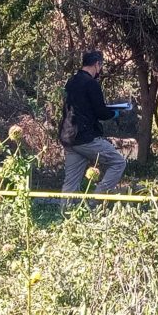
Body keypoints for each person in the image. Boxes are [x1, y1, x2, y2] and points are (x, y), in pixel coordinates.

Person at [59, 50, 126, 206]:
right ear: (97, 64)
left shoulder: (71, 81)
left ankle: (65, 214)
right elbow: (101, 112)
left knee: (71, 181)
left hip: (68, 137)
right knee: (118, 163)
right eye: (100, 66)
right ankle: (94, 202)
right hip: (86, 138)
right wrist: (114, 113)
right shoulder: (91, 84)